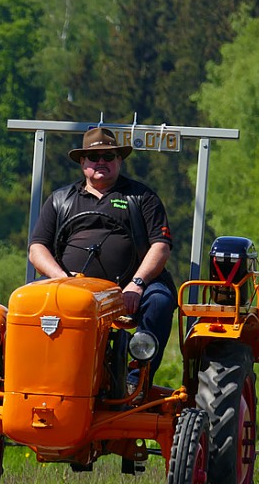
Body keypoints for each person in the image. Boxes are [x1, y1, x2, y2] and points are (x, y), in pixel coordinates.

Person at [28, 126, 176, 385]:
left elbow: (160, 246)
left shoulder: (142, 197)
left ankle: (136, 381)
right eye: (94, 157)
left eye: (108, 157)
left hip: (130, 289)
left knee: (160, 302)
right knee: (25, 301)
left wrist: (137, 284)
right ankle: (33, 380)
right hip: (69, 286)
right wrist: (62, 279)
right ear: (82, 161)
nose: (101, 162)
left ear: (119, 160)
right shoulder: (61, 199)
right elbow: (37, 248)